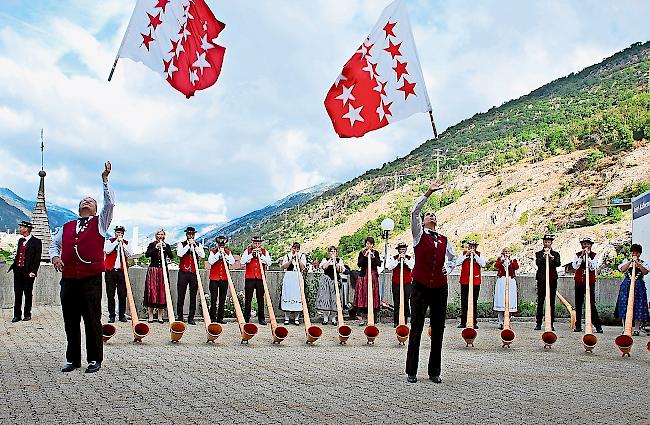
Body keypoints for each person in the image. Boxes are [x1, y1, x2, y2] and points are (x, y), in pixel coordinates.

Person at [50, 161, 113, 373]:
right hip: (68, 279)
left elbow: (110, 205)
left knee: (92, 319)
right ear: (79, 208)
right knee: (70, 320)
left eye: (91, 201)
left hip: (91, 278)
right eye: (83, 201)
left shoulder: (100, 223)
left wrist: (105, 181)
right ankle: (73, 359)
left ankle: (95, 359)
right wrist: (55, 257)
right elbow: (53, 245)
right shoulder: (66, 227)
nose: (87, 202)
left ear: (95, 209)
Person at [405, 180, 456, 384]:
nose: (431, 216)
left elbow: (453, 258)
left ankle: (434, 371)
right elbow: (414, 212)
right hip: (420, 285)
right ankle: (412, 371)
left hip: (439, 287)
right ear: (423, 221)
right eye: (428, 215)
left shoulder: (444, 239)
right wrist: (428, 193)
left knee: (438, 328)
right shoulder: (418, 235)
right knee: (416, 327)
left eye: (433, 215)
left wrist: (448, 268)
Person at [9, 220, 42, 322]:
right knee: (17, 293)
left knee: (28, 293)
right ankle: (17, 315)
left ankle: (27, 314)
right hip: (18, 270)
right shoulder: (20, 241)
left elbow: (37, 259)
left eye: (21, 227)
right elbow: (19, 255)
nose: (20, 229)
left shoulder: (36, 242)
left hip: (28, 272)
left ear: (26, 229)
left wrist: (34, 271)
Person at [615, 244, 649, 335]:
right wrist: (631, 262)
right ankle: (625, 328)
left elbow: (645, 272)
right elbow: (622, 269)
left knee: (638, 305)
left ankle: (637, 329)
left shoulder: (643, 262)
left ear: (640, 253)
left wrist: (638, 263)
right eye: (633, 252)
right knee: (624, 305)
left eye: (636, 252)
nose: (635, 254)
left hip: (638, 286)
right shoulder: (626, 261)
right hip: (627, 285)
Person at [572, 237, 603, 333]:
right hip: (579, 281)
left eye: (588, 244)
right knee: (578, 304)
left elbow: (592, 267)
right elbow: (575, 266)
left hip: (590, 282)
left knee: (591, 304)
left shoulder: (594, 255)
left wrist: (587, 257)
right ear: (582, 245)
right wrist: (581, 257)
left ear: (591, 245)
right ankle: (578, 325)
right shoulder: (577, 255)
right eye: (584, 244)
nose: (586, 246)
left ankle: (597, 326)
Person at [103, 225, 133, 323]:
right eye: (117, 232)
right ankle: (112, 315)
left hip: (121, 271)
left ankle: (122, 315)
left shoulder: (126, 243)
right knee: (110, 294)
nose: (119, 234)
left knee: (122, 294)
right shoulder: (109, 241)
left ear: (123, 234)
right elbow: (107, 251)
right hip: (110, 271)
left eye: (121, 233)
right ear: (115, 233)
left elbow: (130, 254)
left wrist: (122, 244)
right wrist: (116, 241)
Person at [240, 236, 272, 325]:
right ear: (252, 243)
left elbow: (269, 263)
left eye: (258, 243)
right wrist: (251, 255)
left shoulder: (265, 252)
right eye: (255, 243)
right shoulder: (247, 251)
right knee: (248, 298)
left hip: (260, 278)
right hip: (249, 278)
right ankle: (246, 318)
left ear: (261, 244)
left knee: (260, 299)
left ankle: (261, 318)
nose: (257, 245)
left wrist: (261, 256)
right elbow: (242, 261)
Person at [176, 227, 205, 325]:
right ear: (186, 235)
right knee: (181, 295)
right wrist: (188, 245)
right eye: (189, 234)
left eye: (192, 234)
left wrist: (195, 246)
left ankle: (191, 317)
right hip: (183, 272)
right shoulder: (181, 244)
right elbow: (180, 254)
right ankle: (180, 316)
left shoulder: (199, 244)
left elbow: (202, 255)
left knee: (193, 296)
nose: (191, 236)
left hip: (193, 273)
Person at [144, 229, 173, 323]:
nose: (160, 236)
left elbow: (171, 256)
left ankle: (160, 316)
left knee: (162, 292)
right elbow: (147, 255)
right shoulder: (152, 244)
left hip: (163, 271)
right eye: (159, 234)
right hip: (153, 270)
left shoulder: (166, 245)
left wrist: (166, 248)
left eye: (162, 234)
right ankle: (151, 315)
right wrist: (156, 247)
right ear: (156, 235)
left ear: (164, 236)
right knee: (151, 291)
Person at [455, 240, 486, 329]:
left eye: (473, 246)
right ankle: (463, 322)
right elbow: (457, 263)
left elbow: (483, 264)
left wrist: (475, 255)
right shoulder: (463, 253)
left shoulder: (479, 254)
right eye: (470, 246)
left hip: (475, 281)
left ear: (476, 247)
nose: (472, 248)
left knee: (474, 302)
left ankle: (474, 322)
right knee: (464, 301)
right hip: (465, 280)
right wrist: (466, 256)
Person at [534, 234, 561, 331]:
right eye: (545, 242)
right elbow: (538, 263)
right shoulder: (538, 253)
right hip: (542, 280)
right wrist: (544, 257)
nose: (547, 244)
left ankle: (551, 323)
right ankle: (538, 323)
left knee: (551, 303)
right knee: (540, 302)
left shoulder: (556, 254)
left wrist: (551, 257)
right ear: (543, 243)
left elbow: (558, 264)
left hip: (552, 280)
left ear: (551, 243)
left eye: (548, 242)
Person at [353, 237, 381, 326]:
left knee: (372, 297)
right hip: (363, 277)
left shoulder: (376, 253)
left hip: (372, 277)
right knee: (362, 297)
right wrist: (365, 257)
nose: (368, 245)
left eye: (370, 244)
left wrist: (373, 257)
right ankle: (362, 318)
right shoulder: (362, 253)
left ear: (373, 245)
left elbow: (379, 263)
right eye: (367, 243)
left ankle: (372, 318)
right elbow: (359, 264)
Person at [207, 235, 235, 324]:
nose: (221, 246)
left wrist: (225, 255)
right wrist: (219, 254)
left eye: (223, 245)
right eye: (220, 245)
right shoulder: (213, 252)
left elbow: (232, 262)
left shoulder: (228, 252)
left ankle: (220, 318)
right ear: (217, 244)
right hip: (214, 279)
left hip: (224, 279)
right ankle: (212, 318)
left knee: (222, 299)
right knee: (214, 299)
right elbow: (211, 261)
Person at [386, 242, 415, 328]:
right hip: (396, 283)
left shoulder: (409, 258)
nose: (402, 251)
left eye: (404, 249)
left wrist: (405, 260)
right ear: (398, 250)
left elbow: (412, 266)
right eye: (401, 250)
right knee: (396, 302)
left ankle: (404, 321)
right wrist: (398, 260)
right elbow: (389, 267)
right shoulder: (393, 258)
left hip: (407, 283)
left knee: (406, 301)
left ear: (406, 250)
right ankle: (396, 321)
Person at [316, 246, 346, 325]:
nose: (333, 253)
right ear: (329, 253)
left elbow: (341, 270)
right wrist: (330, 260)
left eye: (334, 251)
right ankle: (325, 318)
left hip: (335, 281)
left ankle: (333, 318)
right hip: (326, 280)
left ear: (336, 253)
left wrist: (335, 261)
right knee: (326, 299)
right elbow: (324, 267)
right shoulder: (325, 260)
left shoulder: (339, 260)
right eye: (331, 251)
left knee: (335, 299)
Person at [280, 242, 306, 325]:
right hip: (289, 277)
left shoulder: (302, 256)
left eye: (297, 249)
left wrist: (298, 259)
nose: (296, 250)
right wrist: (291, 259)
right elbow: (284, 266)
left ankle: (296, 318)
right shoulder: (287, 256)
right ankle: (286, 318)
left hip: (298, 277)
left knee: (298, 296)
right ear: (292, 248)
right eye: (294, 248)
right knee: (287, 295)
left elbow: (302, 267)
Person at [493, 247, 519, 330]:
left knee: (510, 301)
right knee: (501, 300)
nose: (507, 253)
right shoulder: (500, 259)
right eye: (505, 251)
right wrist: (502, 260)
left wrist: (511, 261)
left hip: (510, 280)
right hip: (502, 280)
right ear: (503, 252)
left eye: (508, 251)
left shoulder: (513, 259)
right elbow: (496, 266)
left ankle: (507, 321)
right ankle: (500, 322)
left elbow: (516, 267)